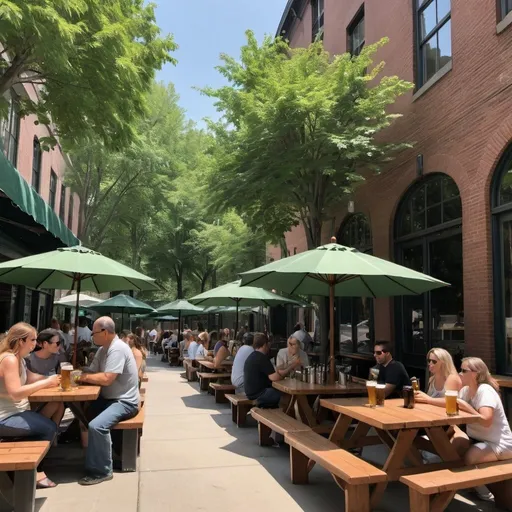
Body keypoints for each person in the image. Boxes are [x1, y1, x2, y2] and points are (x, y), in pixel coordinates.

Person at [78, 316, 139, 485]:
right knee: (84, 416)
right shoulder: (102, 349)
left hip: (125, 402)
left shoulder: (117, 348)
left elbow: (107, 379)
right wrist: (78, 368)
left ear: (104, 332)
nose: (92, 336)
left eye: (94, 333)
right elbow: (92, 371)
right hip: (109, 399)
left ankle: (101, 471)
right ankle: (99, 455)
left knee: (96, 426)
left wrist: (84, 376)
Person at [0, 322, 61, 488]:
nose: (35, 343)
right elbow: (16, 392)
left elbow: (31, 377)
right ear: (21, 341)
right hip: (4, 418)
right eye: (32, 340)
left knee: (48, 419)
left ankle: (26, 470)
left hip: (16, 413)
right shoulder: (10, 359)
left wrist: (53, 379)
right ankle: (35, 473)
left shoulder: (19, 359)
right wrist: (46, 382)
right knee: (48, 428)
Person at [452, 357, 512, 502]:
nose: (459, 373)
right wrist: (427, 400)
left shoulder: (485, 391)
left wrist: (466, 407)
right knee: (454, 448)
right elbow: (452, 403)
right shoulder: (466, 391)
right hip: (479, 440)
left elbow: (486, 420)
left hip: (500, 444)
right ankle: (469, 485)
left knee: (469, 457)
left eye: (463, 370)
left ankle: (486, 494)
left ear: (476, 374)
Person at [243, 332, 302, 408]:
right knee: (286, 395)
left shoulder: (252, 356)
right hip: (259, 395)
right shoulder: (261, 358)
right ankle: (286, 416)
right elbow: (274, 378)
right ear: (265, 345)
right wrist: (289, 368)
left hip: (250, 393)